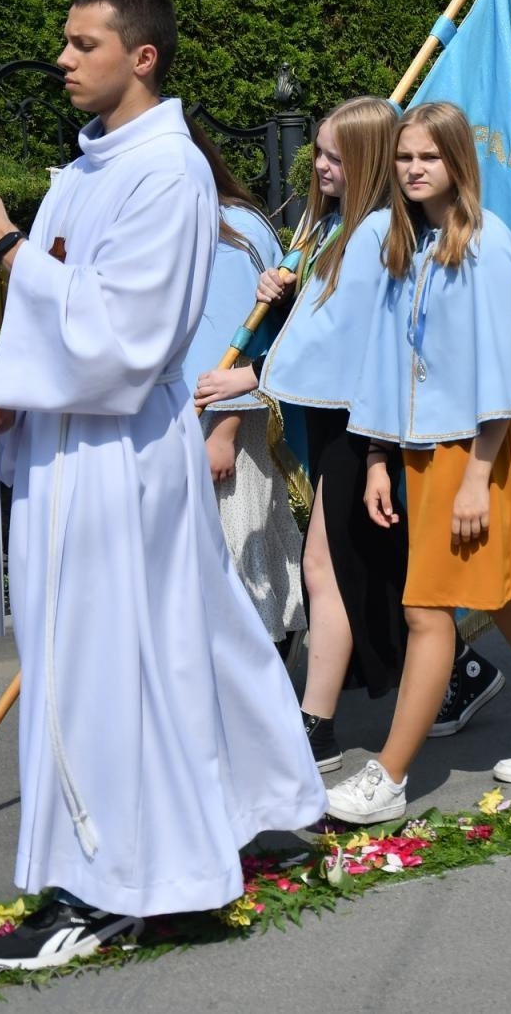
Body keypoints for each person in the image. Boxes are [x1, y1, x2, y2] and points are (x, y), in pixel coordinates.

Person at [0, 0, 325, 969]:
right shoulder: (84, 169)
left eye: (83, 44)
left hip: (120, 455)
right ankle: (258, 806)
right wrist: (4, 396)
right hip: (71, 442)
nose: (64, 59)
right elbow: (54, 323)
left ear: (141, 56)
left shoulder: (169, 171)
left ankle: (108, 883)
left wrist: (14, 245)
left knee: (104, 669)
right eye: (65, 43)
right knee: (182, 638)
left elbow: (129, 331)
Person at [325, 102, 511, 824]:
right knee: (502, 592)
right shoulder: (410, 244)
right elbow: (392, 362)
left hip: (476, 449)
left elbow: (498, 371)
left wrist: (478, 477)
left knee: (426, 611)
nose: (414, 169)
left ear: (458, 162)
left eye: (429, 157)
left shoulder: (484, 245)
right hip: (425, 450)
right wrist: (382, 456)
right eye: (404, 158)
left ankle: (388, 777)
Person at [212, 97, 502, 773]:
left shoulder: (374, 236)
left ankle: (315, 725)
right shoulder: (329, 228)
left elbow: (345, 346)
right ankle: (459, 667)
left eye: (334, 156)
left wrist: (249, 376)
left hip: (356, 418)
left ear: (366, 160)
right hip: (335, 417)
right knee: (375, 563)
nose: (318, 166)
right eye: (316, 152)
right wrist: (281, 297)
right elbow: (314, 324)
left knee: (329, 563)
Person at [179, 119, 306, 642]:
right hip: (188, 419)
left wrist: (224, 431)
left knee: (243, 553)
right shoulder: (181, 222)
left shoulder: (231, 227)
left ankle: (266, 690)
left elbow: (244, 337)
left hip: (225, 422)